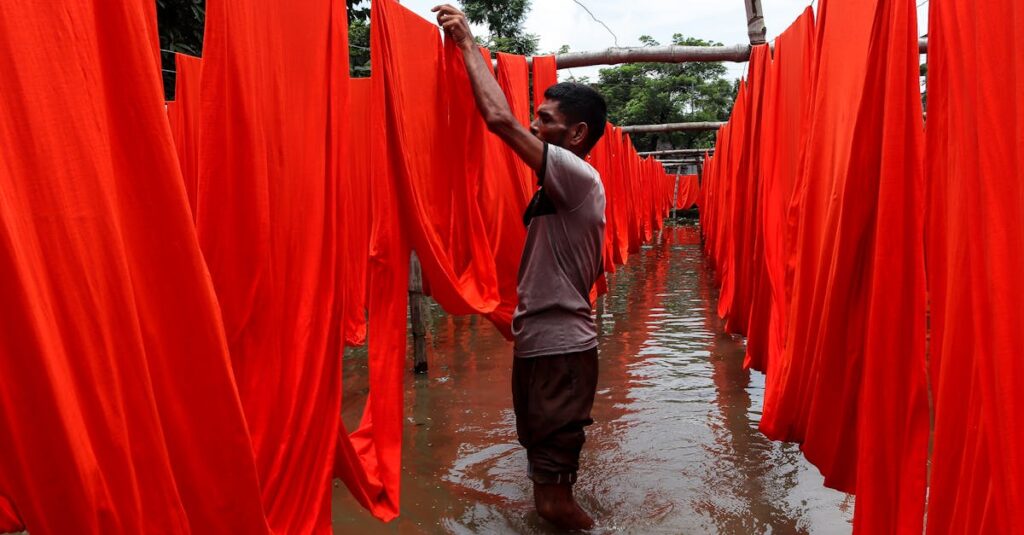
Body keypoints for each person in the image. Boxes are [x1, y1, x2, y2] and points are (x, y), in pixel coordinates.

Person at [433, 4, 608, 531]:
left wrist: (465, 40)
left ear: (577, 135)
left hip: (559, 354)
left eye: (546, 120)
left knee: (553, 501)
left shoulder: (577, 176)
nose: (534, 124)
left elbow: (499, 121)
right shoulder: (558, 190)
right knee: (543, 478)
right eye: (536, 115)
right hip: (543, 347)